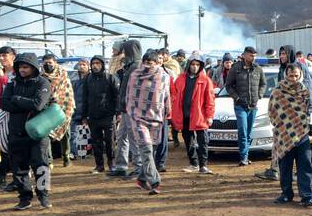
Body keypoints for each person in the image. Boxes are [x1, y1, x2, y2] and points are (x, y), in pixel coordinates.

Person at [0, 53, 54, 210]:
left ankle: (44, 196)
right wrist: (23, 103)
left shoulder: (43, 82)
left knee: (41, 165)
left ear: (33, 67)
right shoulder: (13, 83)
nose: (22, 70)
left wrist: (16, 99)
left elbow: (38, 104)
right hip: (16, 132)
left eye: (25, 67)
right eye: (20, 67)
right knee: (18, 167)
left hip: (38, 132)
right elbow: (4, 104)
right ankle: (24, 198)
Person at [270, 62, 312, 205]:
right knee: (285, 167)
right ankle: (286, 194)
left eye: (296, 76)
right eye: (291, 75)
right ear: (286, 75)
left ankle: (307, 195)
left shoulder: (304, 91)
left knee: (305, 164)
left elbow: (306, 110)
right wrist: (283, 126)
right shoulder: (277, 92)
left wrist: (298, 124)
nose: (293, 79)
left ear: (300, 75)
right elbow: (272, 112)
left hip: (302, 133)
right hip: (284, 135)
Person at [126, 50, 171, 195]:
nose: (148, 66)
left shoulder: (163, 76)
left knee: (152, 148)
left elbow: (166, 95)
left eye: (151, 63)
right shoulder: (134, 75)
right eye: (146, 62)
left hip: (156, 117)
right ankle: (155, 181)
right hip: (137, 116)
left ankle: (141, 179)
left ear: (156, 62)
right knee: (146, 148)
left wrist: (167, 111)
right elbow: (129, 95)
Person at [171, 54, 216, 174]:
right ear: (188, 65)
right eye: (192, 64)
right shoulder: (180, 79)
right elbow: (174, 96)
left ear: (201, 66)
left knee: (203, 141)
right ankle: (194, 163)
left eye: (197, 65)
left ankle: (203, 165)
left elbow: (210, 100)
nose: (195, 67)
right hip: (184, 115)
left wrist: (209, 116)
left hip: (199, 116)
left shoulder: (205, 80)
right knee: (188, 140)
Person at [225, 46, 263, 165]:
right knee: (242, 130)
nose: (253, 58)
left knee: (249, 132)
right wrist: (236, 97)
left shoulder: (258, 69)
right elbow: (228, 86)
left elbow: (263, 83)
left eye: (255, 56)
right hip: (240, 105)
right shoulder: (235, 69)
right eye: (251, 55)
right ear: (245, 55)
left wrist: (259, 95)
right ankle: (244, 157)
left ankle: (246, 155)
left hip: (253, 105)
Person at [82, 55, 120, 173]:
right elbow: (84, 98)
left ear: (103, 65)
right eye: (93, 63)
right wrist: (83, 116)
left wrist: (118, 113)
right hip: (93, 116)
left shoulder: (110, 78)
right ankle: (99, 165)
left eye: (98, 63)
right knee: (96, 142)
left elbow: (117, 96)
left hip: (108, 115)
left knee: (110, 141)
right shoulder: (88, 79)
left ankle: (112, 163)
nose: (95, 66)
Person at [41, 53, 75, 167]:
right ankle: (49, 160)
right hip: (47, 109)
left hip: (63, 108)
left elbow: (68, 93)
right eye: (45, 63)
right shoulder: (41, 77)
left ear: (55, 63)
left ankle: (66, 157)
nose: (48, 65)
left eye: (50, 63)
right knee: (47, 134)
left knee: (66, 134)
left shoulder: (63, 76)